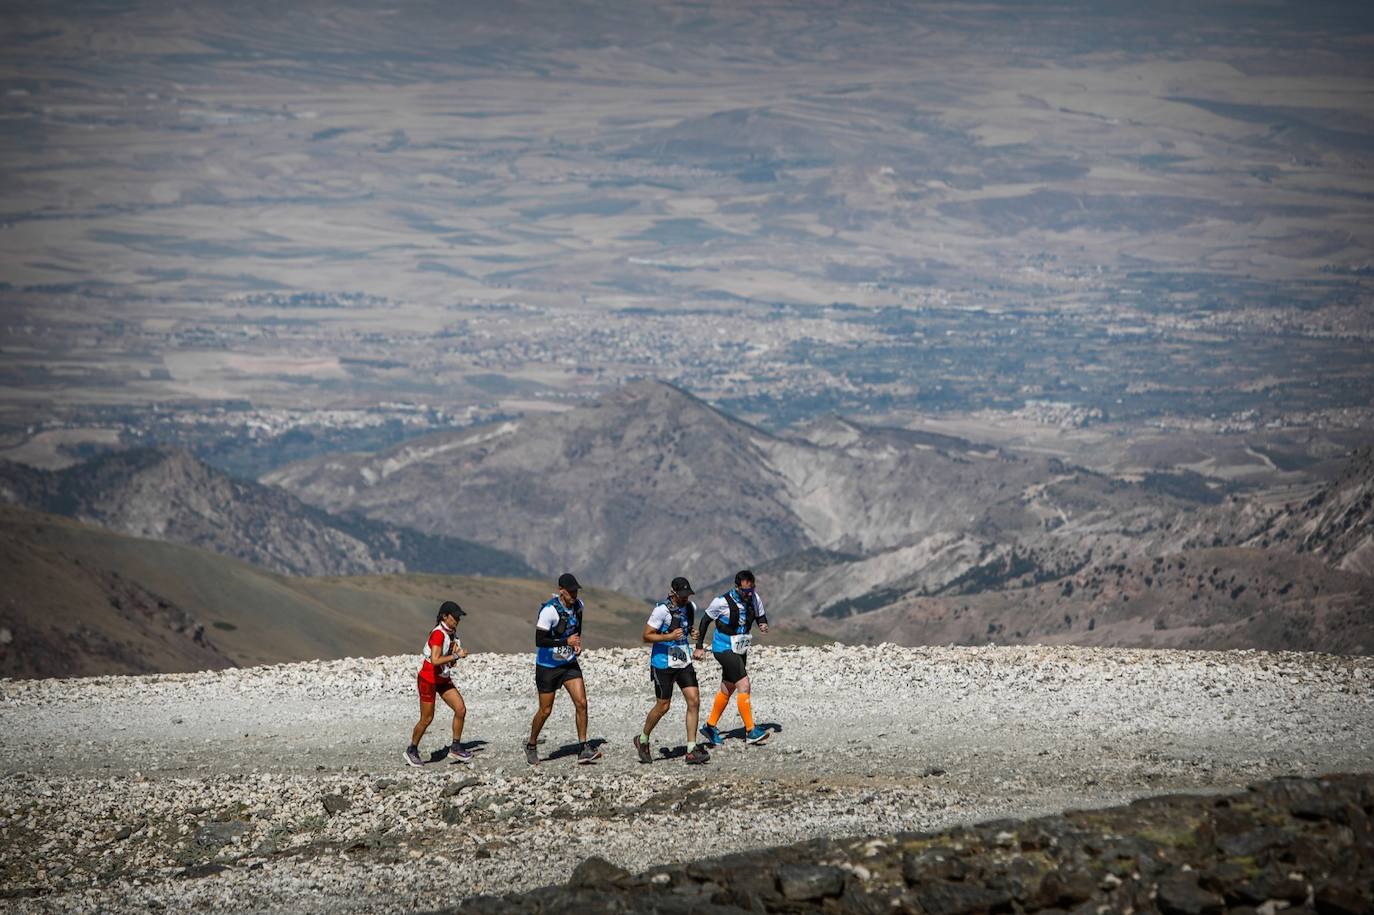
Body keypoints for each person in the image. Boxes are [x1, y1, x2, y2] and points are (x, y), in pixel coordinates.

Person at [526, 572, 601, 765]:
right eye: (570, 591)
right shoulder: (549, 611)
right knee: (545, 710)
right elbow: (539, 640)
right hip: (547, 666)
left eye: (576, 590)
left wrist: (576, 643)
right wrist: (564, 641)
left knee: (582, 703)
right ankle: (531, 744)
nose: (574, 594)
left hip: (568, 663)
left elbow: (577, 628)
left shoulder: (579, 606)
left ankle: (583, 748)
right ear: (561, 591)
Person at [634, 577, 710, 766]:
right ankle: (642, 740)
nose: (685, 599)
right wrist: (668, 636)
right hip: (663, 664)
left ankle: (691, 750)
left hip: (683, 660)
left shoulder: (690, 607)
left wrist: (692, 633)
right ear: (673, 593)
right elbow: (646, 636)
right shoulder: (661, 610)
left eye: (687, 595)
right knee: (663, 706)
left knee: (694, 700)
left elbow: (685, 627)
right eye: (682, 596)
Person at [696, 570, 770, 746]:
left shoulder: (754, 598)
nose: (749, 594)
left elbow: (760, 615)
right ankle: (750, 730)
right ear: (737, 588)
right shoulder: (720, 602)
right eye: (745, 591)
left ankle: (709, 726)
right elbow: (705, 621)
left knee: (728, 687)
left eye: (751, 590)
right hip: (723, 648)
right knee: (744, 685)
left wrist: (762, 623)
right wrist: (699, 647)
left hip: (740, 648)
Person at [406, 601, 471, 767]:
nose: (457, 619)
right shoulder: (438, 634)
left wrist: (454, 655)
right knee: (427, 718)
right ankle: (412, 749)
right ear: (444, 616)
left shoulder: (452, 633)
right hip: (428, 679)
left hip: (442, 677)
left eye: (459, 617)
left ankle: (455, 747)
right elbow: (435, 660)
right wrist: (456, 656)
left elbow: (448, 658)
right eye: (455, 616)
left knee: (460, 709)